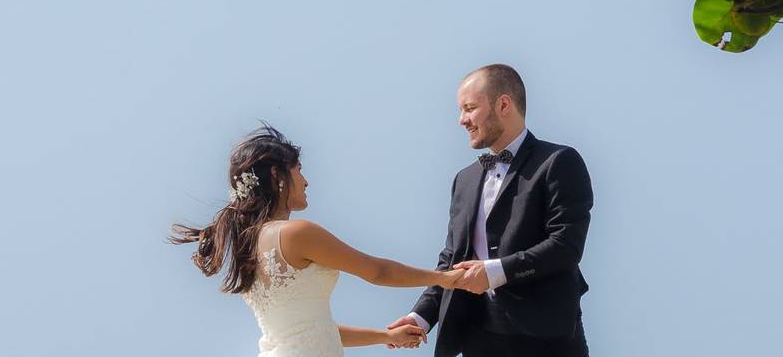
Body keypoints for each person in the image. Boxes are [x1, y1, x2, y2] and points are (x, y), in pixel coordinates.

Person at [171, 124, 466, 356]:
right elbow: (377, 271)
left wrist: (385, 336)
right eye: (299, 170)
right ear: (278, 176)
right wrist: (446, 279)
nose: (306, 181)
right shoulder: (296, 234)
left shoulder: (248, 244)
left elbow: (312, 329)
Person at [387, 64, 594, 357]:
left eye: (469, 108)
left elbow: (566, 246)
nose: (462, 120)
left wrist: (495, 272)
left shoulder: (559, 162)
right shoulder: (464, 179)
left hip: (547, 338)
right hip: (477, 336)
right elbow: (452, 260)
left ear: (503, 104)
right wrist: (419, 317)